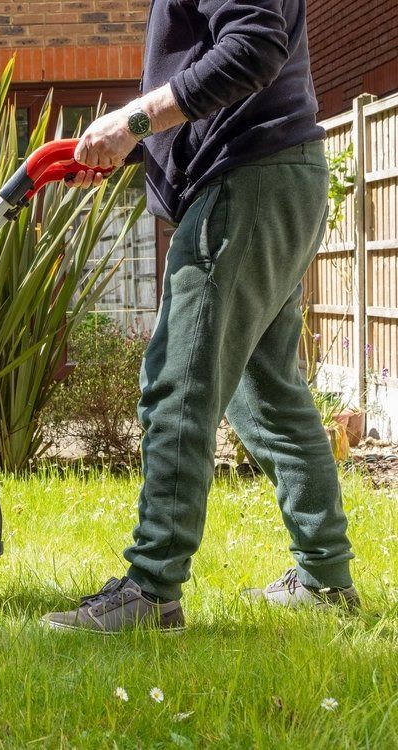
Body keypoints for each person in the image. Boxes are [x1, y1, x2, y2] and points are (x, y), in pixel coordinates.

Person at [42, 0, 359, 633]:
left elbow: (253, 48)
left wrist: (134, 119)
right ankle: (326, 580)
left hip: (248, 180)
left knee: (179, 380)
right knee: (266, 393)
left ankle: (153, 588)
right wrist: (126, 147)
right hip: (271, 174)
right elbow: (214, 86)